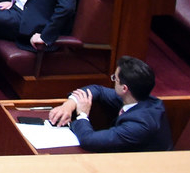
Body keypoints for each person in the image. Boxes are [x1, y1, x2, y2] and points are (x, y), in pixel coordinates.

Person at [44, 57, 173, 152]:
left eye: (115, 79)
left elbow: (89, 141)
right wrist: (69, 105)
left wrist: (82, 115)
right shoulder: (137, 98)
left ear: (124, 88)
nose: (113, 81)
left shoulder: (140, 125)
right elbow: (97, 90)